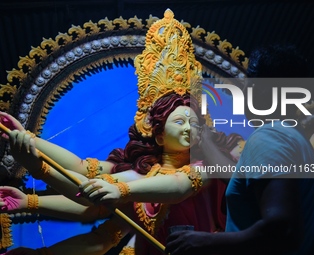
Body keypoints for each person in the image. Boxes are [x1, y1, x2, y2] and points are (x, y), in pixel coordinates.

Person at [0, 9, 240, 255]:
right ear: (157, 134)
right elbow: (86, 189)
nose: (191, 128)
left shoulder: (205, 165)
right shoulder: (140, 174)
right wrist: (32, 153)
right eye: (180, 121)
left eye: (197, 124)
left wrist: (120, 190)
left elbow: (180, 186)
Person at [166, 44, 314, 254]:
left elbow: (282, 228)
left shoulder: (269, 138)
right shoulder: (292, 138)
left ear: (260, 88)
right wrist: (204, 137)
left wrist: (205, 241)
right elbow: (243, 179)